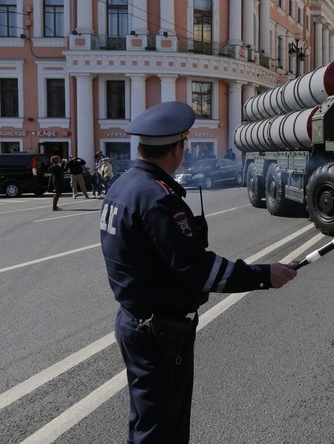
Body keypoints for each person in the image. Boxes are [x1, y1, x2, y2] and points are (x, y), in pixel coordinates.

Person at [100, 101, 297, 443]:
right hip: (158, 330)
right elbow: (199, 269)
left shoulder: (122, 187)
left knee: (146, 418)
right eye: (184, 146)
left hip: (134, 319)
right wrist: (264, 275)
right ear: (177, 149)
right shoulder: (159, 200)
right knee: (163, 427)